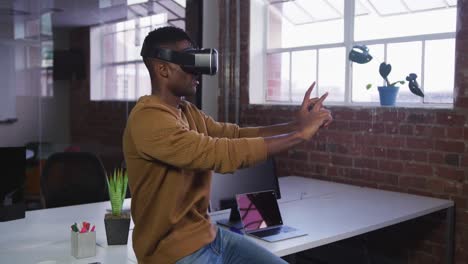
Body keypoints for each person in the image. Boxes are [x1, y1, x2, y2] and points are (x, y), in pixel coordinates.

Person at [123, 26, 333, 264]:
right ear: (163, 68)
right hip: (172, 254)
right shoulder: (148, 119)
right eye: (189, 63)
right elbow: (217, 152)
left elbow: (234, 135)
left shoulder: (188, 112)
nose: (197, 73)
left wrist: (295, 125)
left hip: (210, 236)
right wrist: (300, 136)